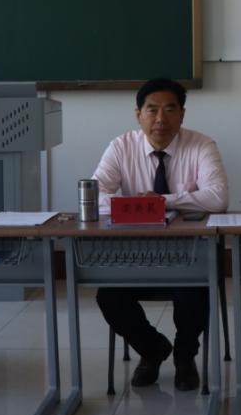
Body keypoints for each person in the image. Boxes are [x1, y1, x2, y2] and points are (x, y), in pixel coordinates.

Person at [91, 77, 228, 392]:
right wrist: (136, 205)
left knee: (195, 289)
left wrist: (162, 201)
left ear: (182, 114)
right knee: (108, 296)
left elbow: (218, 198)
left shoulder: (202, 145)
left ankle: (185, 356)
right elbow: (95, 199)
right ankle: (153, 349)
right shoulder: (121, 147)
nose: (160, 119)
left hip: (187, 255)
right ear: (138, 114)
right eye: (152, 110)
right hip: (133, 255)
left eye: (170, 109)